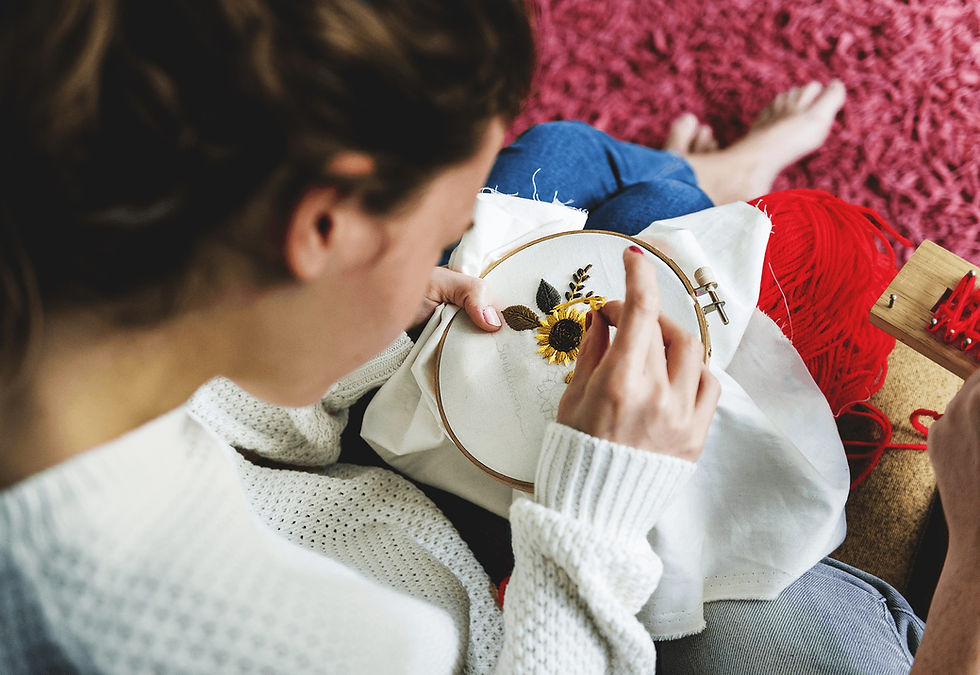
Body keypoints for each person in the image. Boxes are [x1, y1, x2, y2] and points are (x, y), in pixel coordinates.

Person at [0, 2, 975, 674]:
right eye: (442, 219)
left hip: (359, 498)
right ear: (321, 229)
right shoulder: (275, 641)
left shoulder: (60, 283)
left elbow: (224, 421)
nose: (451, 248)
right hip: (505, 606)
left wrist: (342, 322)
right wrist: (595, 505)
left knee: (555, 161)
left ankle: (706, 183)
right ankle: (696, 187)